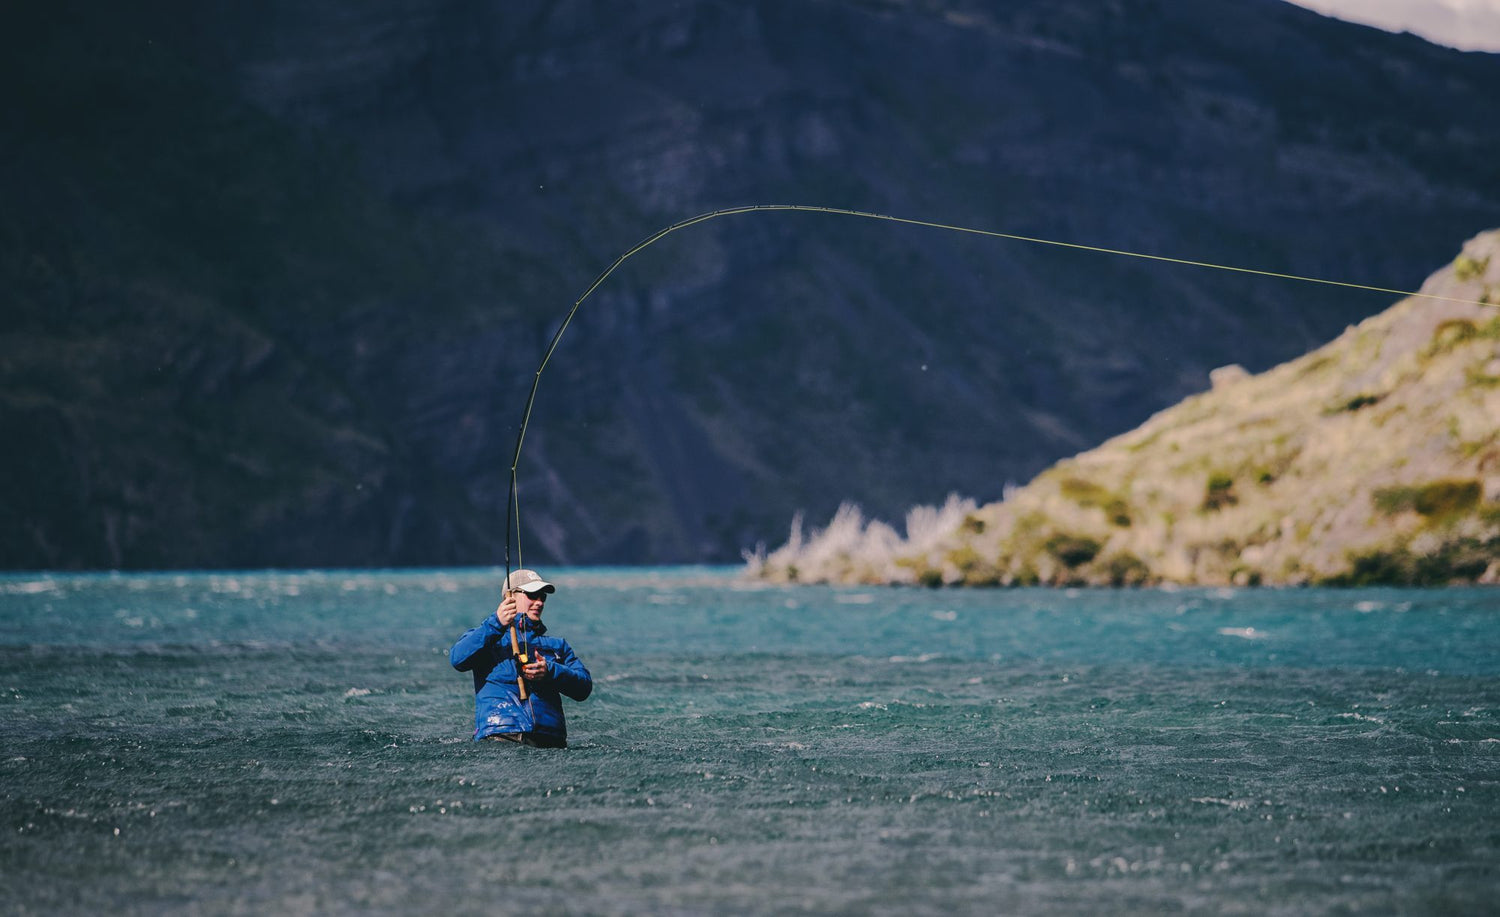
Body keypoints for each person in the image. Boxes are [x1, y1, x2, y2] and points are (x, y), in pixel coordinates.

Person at [449, 569, 592, 747]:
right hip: (500, 737)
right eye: (532, 595)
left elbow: (584, 688)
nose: (539, 602)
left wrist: (551, 671)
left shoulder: (558, 645)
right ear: (510, 597)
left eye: (543, 597)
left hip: (551, 741)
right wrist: (496, 623)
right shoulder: (486, 637)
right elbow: (457, 659)